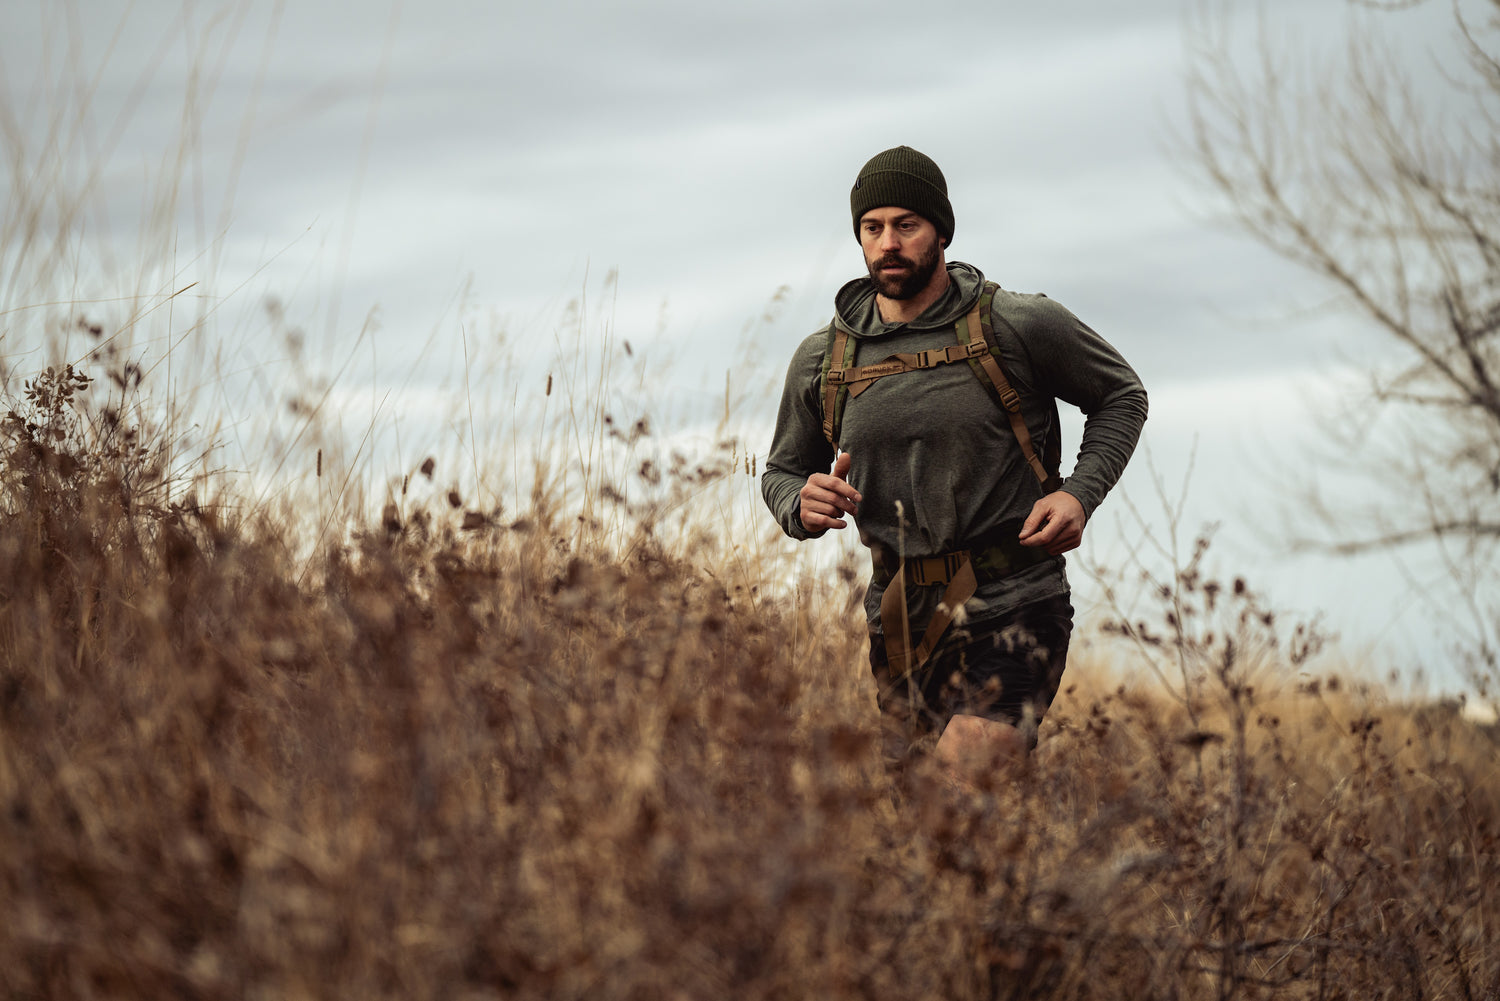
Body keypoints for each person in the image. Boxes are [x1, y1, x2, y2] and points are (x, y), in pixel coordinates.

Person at [761, 146, 1147, 787]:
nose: (888, 243)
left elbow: (1121, 396)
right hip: (900, 620)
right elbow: (782, 471)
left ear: (941, 230)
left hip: (1016, 602)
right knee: (925, 824)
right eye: (872, 227)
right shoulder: (823, 359)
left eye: (906, 225)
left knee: (954, 791)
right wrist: (798, 502)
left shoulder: (1016, 324)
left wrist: (1079, 494)